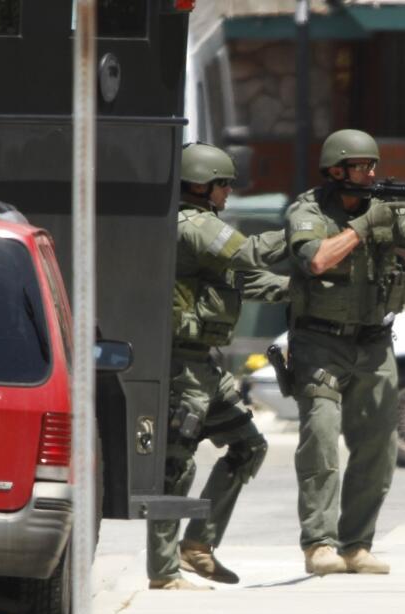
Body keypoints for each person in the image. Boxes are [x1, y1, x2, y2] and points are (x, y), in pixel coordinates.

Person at [284, 129, 405, 576]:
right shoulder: (309, 209)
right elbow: (317, 260)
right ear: (336, 170)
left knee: (378, 446)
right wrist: (362, 228)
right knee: (320, 437)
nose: (371, 173)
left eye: (373, 165)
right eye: (361, 166)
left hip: (373, 342)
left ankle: (356, 544)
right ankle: (319, 544)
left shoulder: (385, 210)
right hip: (320, 342)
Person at [147, 142, 289, 590]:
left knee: (248, 447)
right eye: (224, 184)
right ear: (201, 185)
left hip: (205, 368)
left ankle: (198, 546)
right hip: (181, 370)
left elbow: (252, 280)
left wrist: (310, 287)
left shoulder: (207, 231)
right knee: (176, 466)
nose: (229, 192)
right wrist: (304, 231)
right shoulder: (192, 225)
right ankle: (165, 572)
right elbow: (250, 256)